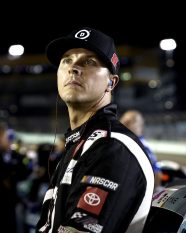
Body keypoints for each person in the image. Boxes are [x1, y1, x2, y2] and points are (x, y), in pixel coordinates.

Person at [36, 27, 154, 233]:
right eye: (67, 60)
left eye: (89, 62)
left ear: (111, 82)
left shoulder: (112, 147)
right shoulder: (81, 143)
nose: (73, 68)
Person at [119, 110, 164, 192]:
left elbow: (157, 174)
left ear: (139, 125)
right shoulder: (121, 142)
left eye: (128, 122)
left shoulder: (142, 146)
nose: (123, 125)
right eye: (124, 122)